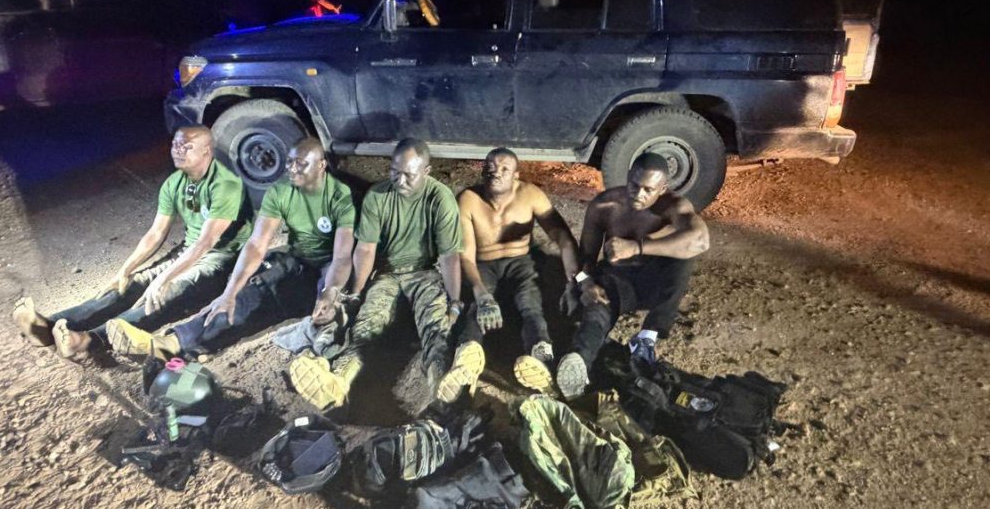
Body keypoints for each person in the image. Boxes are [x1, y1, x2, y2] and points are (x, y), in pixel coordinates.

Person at [11, 126, 254, 362]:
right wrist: (124, 271)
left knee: (163, 293)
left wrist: (164, 279)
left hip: (224, 258)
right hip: (187, 251)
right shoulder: (175, 183)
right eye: (175, 145)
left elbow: (206, 242)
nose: (178, 151)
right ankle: (47, 327)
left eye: (187, 147)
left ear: (206, 151)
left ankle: (89, 341)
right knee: (130, 283)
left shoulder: (225, 184)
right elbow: (156, 233)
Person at [105, 138, 355, 359]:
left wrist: (329, 292)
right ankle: (171, 343)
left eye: (302, 164)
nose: (292, 169)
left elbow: (342, 257)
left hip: (332, 268)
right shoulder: (281, 191)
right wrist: (230, 292)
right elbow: (257, 244)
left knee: (332, 309)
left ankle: (325, 363)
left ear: (321, 166)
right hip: (297, 260)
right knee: (246, 295)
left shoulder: (341, 197)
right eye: (289, 162)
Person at [288, 138, 476, 410]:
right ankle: (338, 382)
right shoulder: (377, 196)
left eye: (409, 175)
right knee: (365, 327)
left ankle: (442, 388)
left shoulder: (440, 198)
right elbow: (366, 250)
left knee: (436, 327)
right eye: (394, 172)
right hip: (388, 274)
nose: (400, 181)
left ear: (426, 171)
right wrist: (355, 293)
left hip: (425, 273)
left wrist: (455, 301)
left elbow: (449, 256)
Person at [556, 153, 710, 399]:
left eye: (649, 190)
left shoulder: (674, 207)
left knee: (684, 256)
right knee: (597, 309)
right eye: (634, 185)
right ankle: (578, 365)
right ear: (628, 177)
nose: (639, 194)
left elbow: (701, 241)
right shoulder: (605, 205)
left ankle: (646, 338)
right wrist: (585, 284)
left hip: (654, 280)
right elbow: (587, 255)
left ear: (663, 189)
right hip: (617, 278)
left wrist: (637, 247)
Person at [456, 148, 580, 393]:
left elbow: (562, 237)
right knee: (476, 308)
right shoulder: (468, 200)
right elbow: (465, 257)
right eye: (491, 167)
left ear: (516, 175)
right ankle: (465, 358)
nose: (496, 173)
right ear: (482, 170)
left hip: (520, 261)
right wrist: (481, 293)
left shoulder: (530, 195)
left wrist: (574, 278)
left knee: (531, 304)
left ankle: (541, 355)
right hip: (483, 263)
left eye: (504, 169)